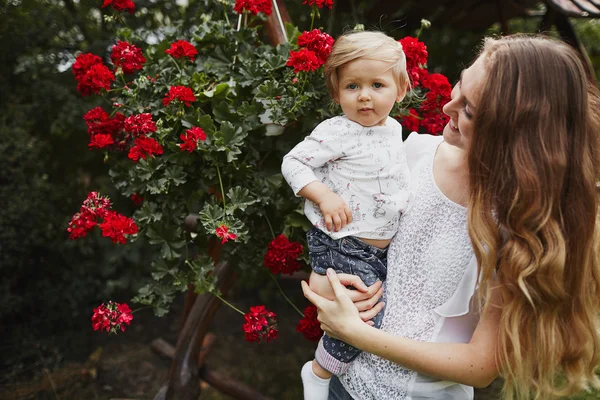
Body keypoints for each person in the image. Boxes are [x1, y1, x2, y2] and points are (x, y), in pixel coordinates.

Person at [302, 34, 600, 400]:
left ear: (515, 130)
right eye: (460, 84)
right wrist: (326, 282)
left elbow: (479, 366)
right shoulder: (410, 155)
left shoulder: (519, 220)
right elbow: (348, 239)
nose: (448, 108)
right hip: (342, 382)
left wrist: (359, 334)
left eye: (470, 110)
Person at [281, 31, 411, 400]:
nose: (365, 95)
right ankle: (320, 373)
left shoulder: (393, 130)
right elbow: (293, 163)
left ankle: (337, 373)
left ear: (400, 89)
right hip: (344, 244)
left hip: (377, 250)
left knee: (374, 316)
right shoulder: (337, 130)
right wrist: (323, 195)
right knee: (367, 321)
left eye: (377, 84)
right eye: (352, 86)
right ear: (337, 92)